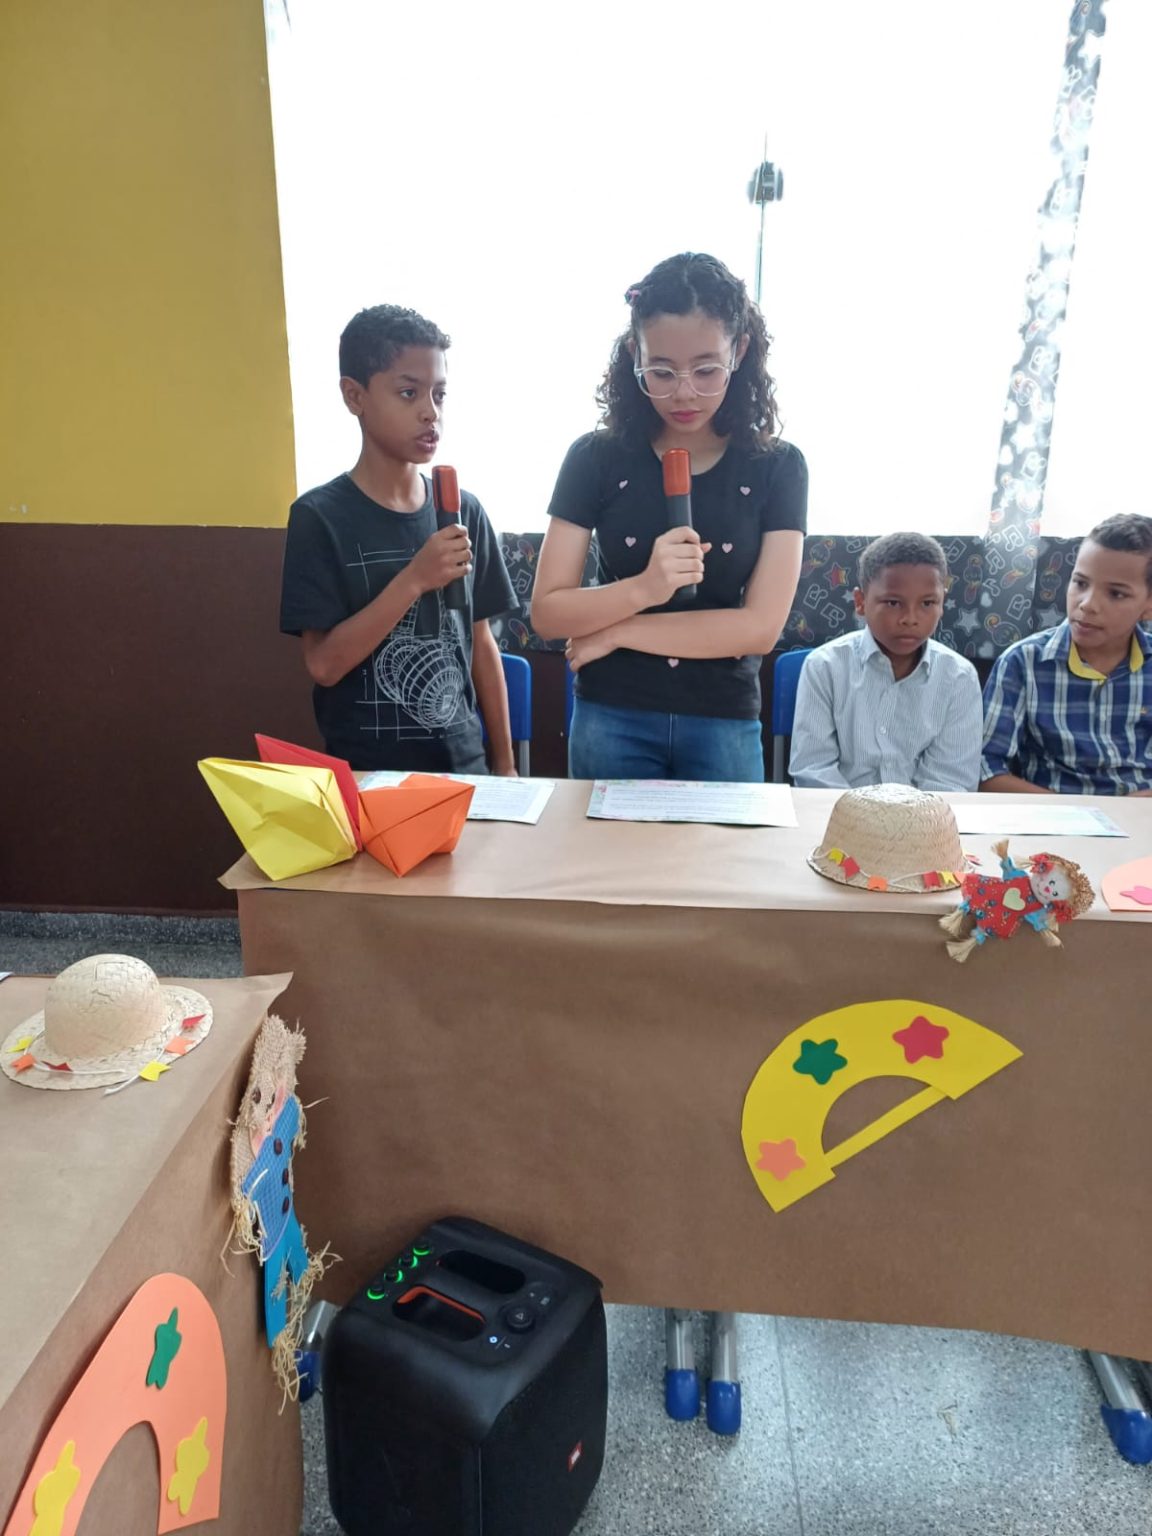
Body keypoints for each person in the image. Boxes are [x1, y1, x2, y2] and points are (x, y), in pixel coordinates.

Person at [532, 252, 807, 782]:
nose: (684, 392)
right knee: (603, 842)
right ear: (634, 354)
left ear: (739, 350)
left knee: (723, 844)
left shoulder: (778, 466)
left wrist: (618, 631)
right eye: (661, 371)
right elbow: (548, 612)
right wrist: (646, 587)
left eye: (706, 370)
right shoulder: (594, 457)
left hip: (723, 715)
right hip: (612, 711)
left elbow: (759, 628)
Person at [279, 304, 517, 774]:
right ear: (354, 396)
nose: (430, 412)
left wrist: (505, 766)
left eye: (439, 394)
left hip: (465, 770)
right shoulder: (319, 517)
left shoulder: (463, 510)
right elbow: (324, 665)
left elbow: (482, 645)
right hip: (369, 776)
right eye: (409, 393)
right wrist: (414, 579)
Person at [789, 532, 982, 791]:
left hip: (925, 816)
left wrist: (907, 817)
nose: (910, 618)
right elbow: (814, 771)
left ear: (942, 602)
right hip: (839, 813)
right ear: (861, 602)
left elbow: (950, 782)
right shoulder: (824, 668)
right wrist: (864, 814)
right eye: (893, 603)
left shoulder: (959, 678)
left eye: (927, 603)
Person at [980, 513, 1152, 795]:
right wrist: (1072, 811)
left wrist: (1135, 807)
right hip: (1052, 812)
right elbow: (985, 768)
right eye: (1081, 583)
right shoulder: (1023, 663)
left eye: (1116, 594)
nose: (1087, 604)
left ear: (1148, 605)